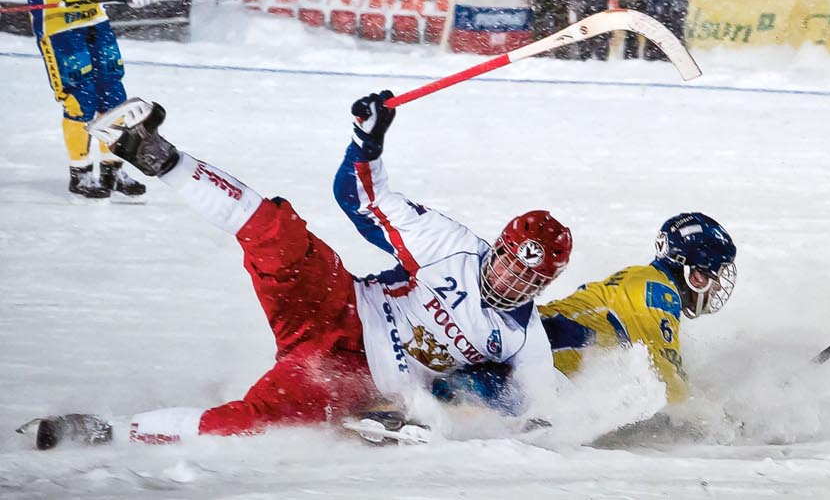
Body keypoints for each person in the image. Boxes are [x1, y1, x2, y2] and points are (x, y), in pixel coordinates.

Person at [19, 93, 573, 449]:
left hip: (352, 380)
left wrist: (466, 397)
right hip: (341, 305)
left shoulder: (524, 339)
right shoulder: (451, 244)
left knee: (248, 425)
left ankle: (103, 432)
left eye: (527, 281)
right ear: (498, 245)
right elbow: (358, 195)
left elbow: (527, 415)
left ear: (543, 286)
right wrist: (368, 141)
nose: (507, 281)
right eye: (506, 263)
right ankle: (158, 155)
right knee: (276, 230)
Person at [0, 0, 156, 199]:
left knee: (114, 97)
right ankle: (81, 173)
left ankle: (113, 169)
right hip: (58, 28)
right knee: (80, 99)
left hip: (95, 22)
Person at [540, 212, 737, 405]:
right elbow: (669, 389)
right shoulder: (657, 294)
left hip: (533, 351)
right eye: (717, 274)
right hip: (525, 360)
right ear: (696, 276)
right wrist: (712, 421)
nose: (718, 285)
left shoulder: (643, 277)